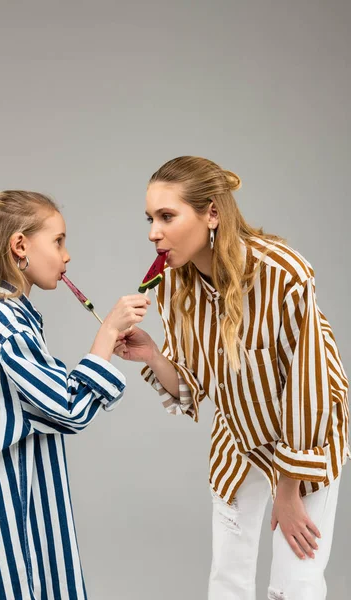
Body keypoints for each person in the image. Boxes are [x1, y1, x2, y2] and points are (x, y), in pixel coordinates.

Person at [114, 156, 349, 600]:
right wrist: (153, 355)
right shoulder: (171, 284)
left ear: (212, 214)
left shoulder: (283, 273)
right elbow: (193, 385)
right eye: (150, 218)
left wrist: (288, 488)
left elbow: (309, 388)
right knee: (228, 582)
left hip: (306, 444)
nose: (153, 233)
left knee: (294, 587)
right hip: (240, 439)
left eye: (167, 216)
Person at [0, 190, 150, 599]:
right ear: (20, 246)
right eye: (58, 241)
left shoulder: (7, 316)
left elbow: (50, 398)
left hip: (10, 496)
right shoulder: (7, 324)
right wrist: (107, 333)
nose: (67, 255)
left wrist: (105, 347)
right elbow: (69, 409)